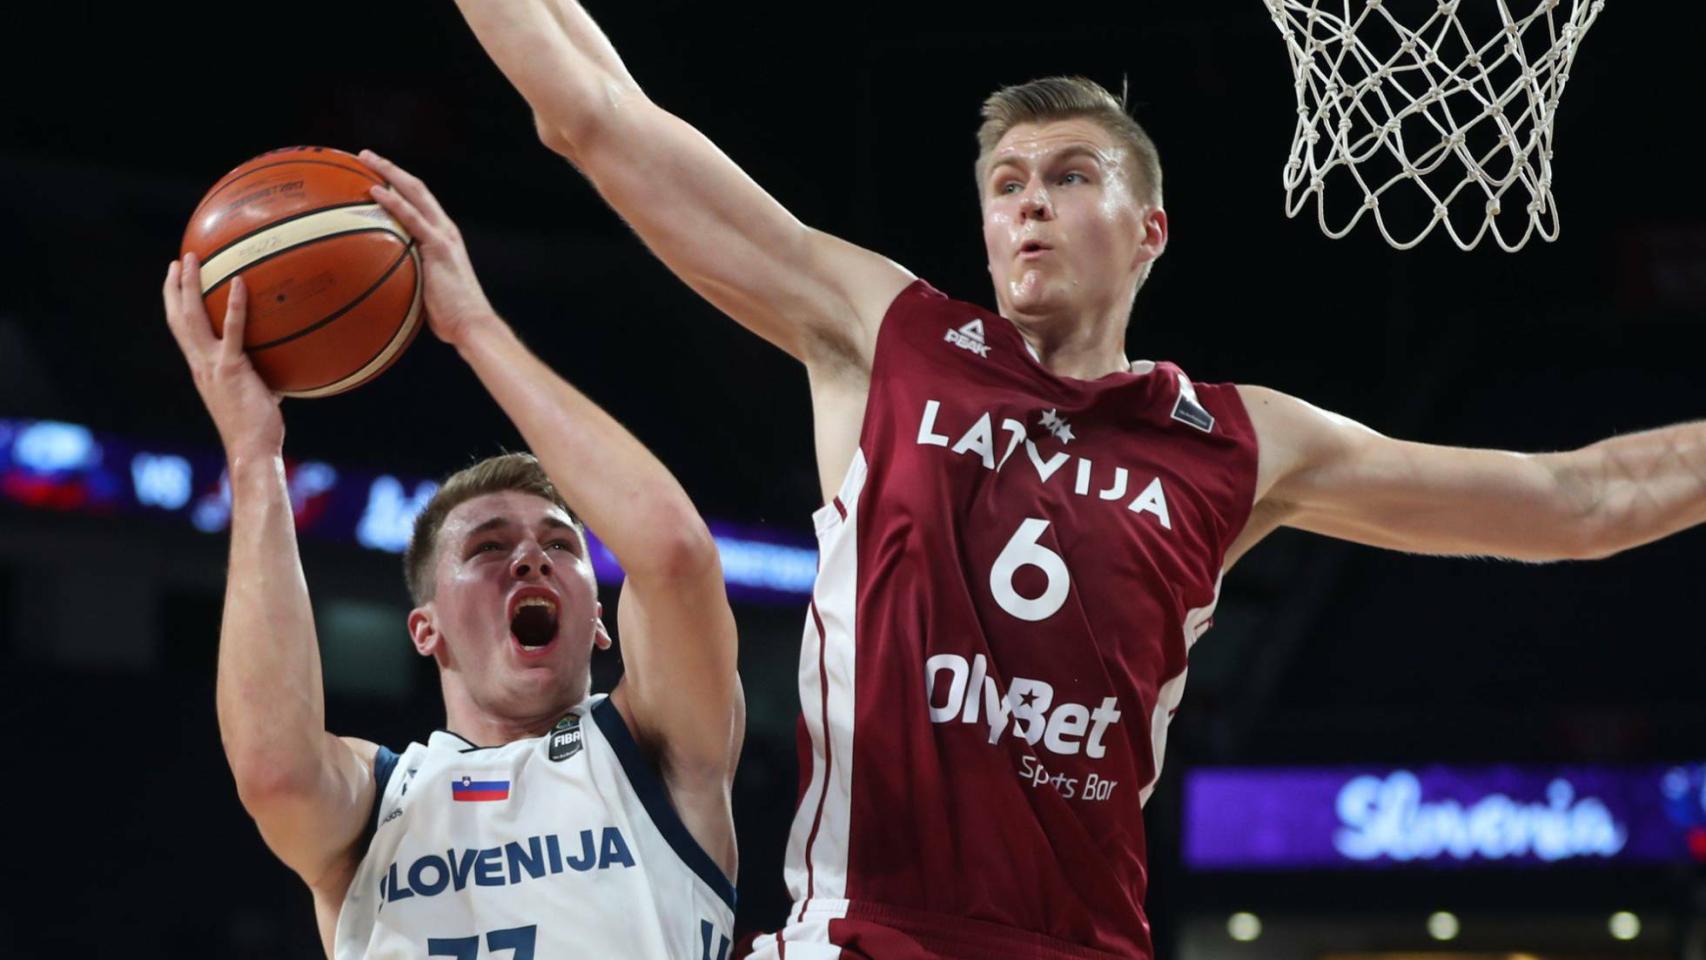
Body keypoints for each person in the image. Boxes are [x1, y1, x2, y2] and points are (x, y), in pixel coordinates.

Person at [452, 5, 1706, 956]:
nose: (1027, 208)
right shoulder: (886, 338)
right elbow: (593, 113)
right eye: (1004, 187)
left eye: (1067, 178)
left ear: (1147, 230)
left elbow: (1581, 504)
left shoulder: (1238, 442)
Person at [162, 155, 743, 960]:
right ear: (426, 629)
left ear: (600, 625)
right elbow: (273, 773)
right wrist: (253, 455)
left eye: (561, 544)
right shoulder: (377, 803)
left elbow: (674, 552)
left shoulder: (658, 752)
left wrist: (474, 326)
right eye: (490, 547)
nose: (531, 561)